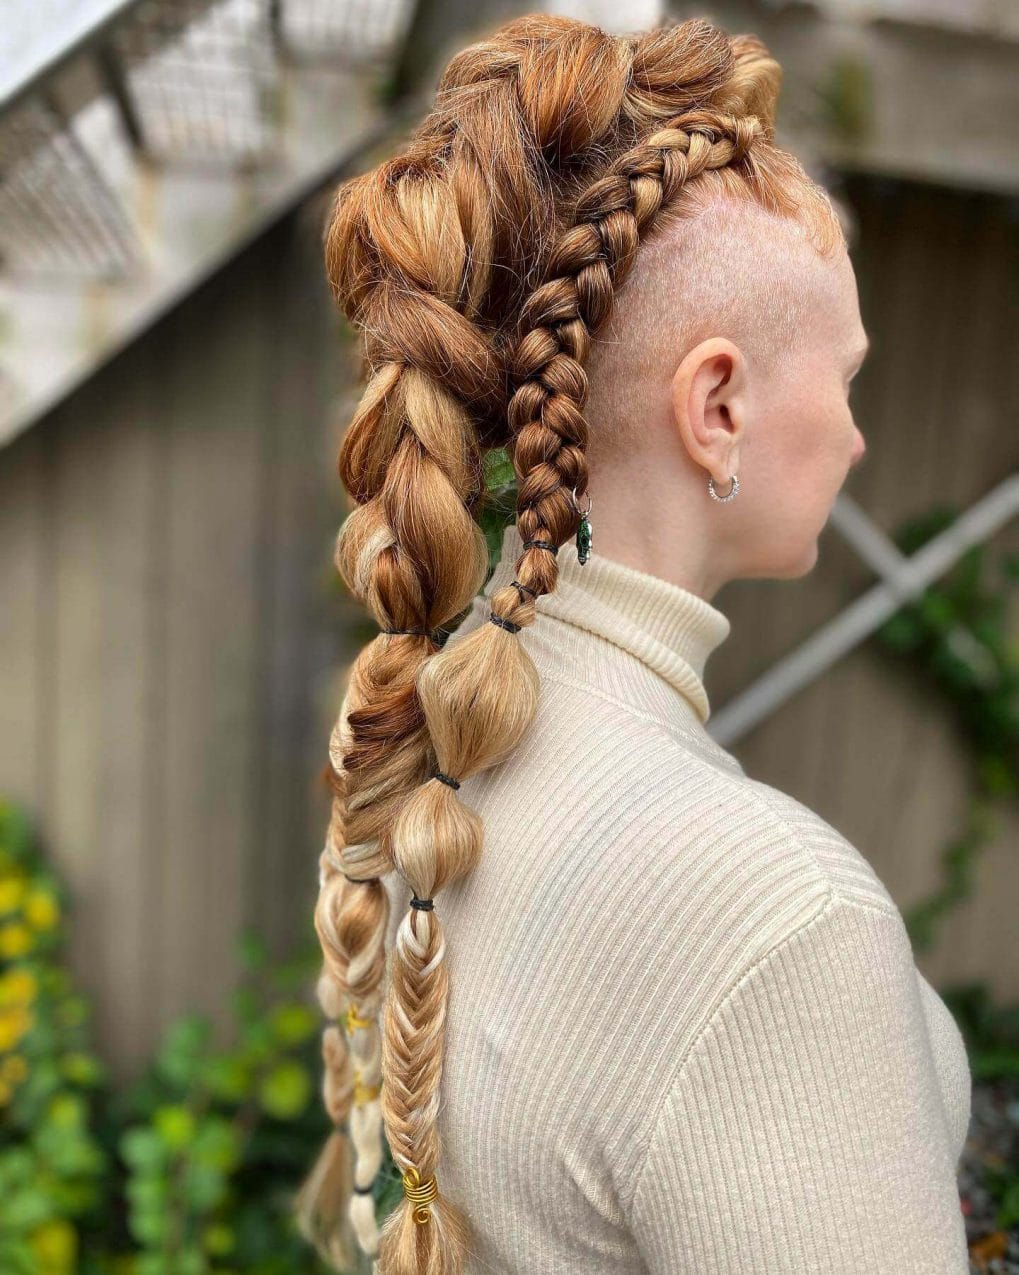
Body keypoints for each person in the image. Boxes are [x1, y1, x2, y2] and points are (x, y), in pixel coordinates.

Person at [296, 12, 972, 1274]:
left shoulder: (432, 738)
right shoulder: (775, 917)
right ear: (715, 407)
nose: (856, 440)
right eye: (846, 380)